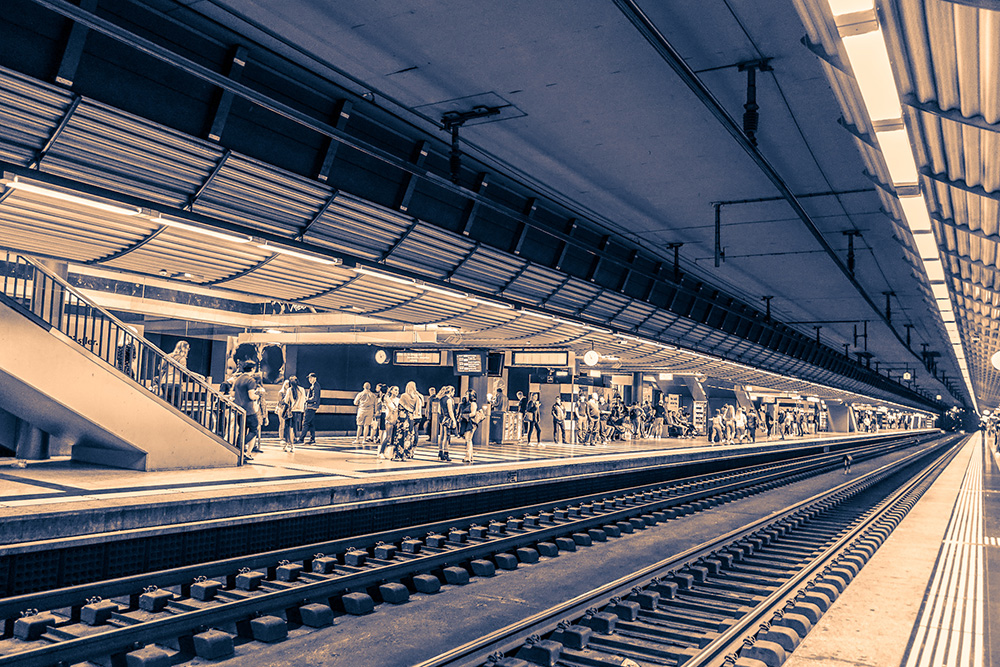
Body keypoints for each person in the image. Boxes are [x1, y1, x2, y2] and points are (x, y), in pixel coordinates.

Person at [232, 360, 260, 461]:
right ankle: (240, 445)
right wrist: (258, 396)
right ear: (253, 369)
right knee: (254, 430)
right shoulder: (250, 380)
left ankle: (241, 451)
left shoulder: (238, 379)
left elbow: (232, 394)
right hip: (249, 410)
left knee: (241, 431)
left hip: (239, 410)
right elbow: (251, 396)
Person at [158, 340, 192, 408]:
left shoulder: (168, 356)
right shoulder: (182, 359)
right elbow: (184, 370)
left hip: (165, 382)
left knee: (166, 406)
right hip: (175, 383)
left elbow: (160, 367)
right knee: (177, 407)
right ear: (184, 349)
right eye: (187, 348)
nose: (188, 350)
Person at [395, 382, 421, 460]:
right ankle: (408, 454)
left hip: (402, 419)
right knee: (409, 436)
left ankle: (400, 454)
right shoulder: (416, 397)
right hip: (411, 419)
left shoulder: (403, 396)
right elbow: (416, 411)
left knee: (401, 436)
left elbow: (399, 408)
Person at [282, 375, 306, 451]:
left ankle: (287, 445)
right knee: (295, 428)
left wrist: (283, 412)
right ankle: (293, 446)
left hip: (291, 411)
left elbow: (286, 402)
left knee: (288, 429)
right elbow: (304, 401)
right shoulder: (302, 390)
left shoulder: (289, 390)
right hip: (299, 412)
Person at [377, 385, 400, 461]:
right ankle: (381, 452)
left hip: (396, 420)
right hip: (389, 420)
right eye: (395, 390)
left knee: (394, 438)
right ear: (391, 391)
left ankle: (391, 453)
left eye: (397, 390)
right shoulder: (387, 399)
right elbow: (390, 409)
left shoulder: (399, 400)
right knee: (388, 437)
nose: (396, 392)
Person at [458, 389, 479, 463]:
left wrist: (465, 415)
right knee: (468, 440)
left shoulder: (473, 404)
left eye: (467, 394)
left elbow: (473, 413)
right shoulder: (464, 404)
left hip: (470, 423)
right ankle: (470, 456)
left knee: (468, 439)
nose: (465, 395)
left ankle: (467, 457)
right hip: (465, 422)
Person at [300, 373, 320, 444]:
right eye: (309, 378)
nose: (309, 379)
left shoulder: (315, 386)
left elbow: (315, 398)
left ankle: (301, 439)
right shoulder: (314, 386)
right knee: (311, 423)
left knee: (305, 423)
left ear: (315, 378)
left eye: (311, 378)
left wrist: (306, 399)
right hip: (312, 407)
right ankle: (312, 439)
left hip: (310, 407)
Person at [438, 386, 456, 461]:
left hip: (442, 418)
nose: (454, 393)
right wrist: (453, 420)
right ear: (451, 391)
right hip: (448, 419)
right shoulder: (449, 400)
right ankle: (446, 453)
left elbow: (439, 410)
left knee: (441, 436)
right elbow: (450, 411)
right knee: (446, 437)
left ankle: (440, 451)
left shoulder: (441, 399)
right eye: (453, 392)